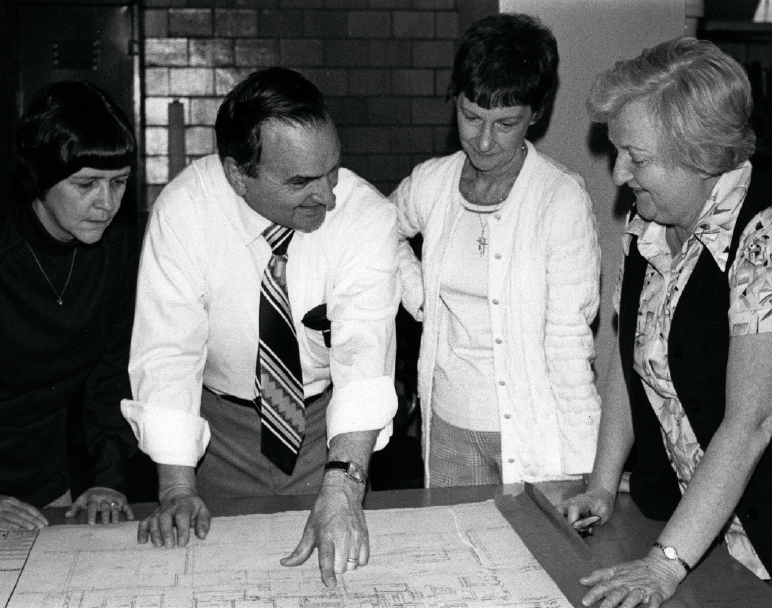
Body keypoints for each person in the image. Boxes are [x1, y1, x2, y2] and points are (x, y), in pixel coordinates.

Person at [121, 67, 398, 588]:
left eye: (331, 172)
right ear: (236, 174)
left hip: (329, 435)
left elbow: (365, 356)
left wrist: (343, 490)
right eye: (300, 182)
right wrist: (177, 487)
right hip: (217, 438)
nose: (328, 197)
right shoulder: (185, 211)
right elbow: (168, 353)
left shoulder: (366, 217)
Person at [559, 37, 772, 607]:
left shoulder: (763, 234)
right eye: (617, 152)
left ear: (701, 153)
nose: (621, 173)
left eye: (638, 156)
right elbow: (629, 366)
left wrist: (663, 564)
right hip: (696, 530)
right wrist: (603, 485)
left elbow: (752, 422)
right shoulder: (645, 226)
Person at [390, 13, 601, 487]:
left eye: (505, 123)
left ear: (536, 114)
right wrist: (417, 291)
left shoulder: (560, 198)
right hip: (446, 425)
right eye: (471, 117)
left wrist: (586, 469)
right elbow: (381, 230)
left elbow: (570, 344)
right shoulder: (432, 182)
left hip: (533, 434)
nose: (484, 141)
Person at [0, 81, 140, 528]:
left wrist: (108, 478)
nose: (106, 204)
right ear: (39, 176)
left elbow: (112, 372)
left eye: (118, 182)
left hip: (43, 470)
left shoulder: (116, 249)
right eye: (86, 184)